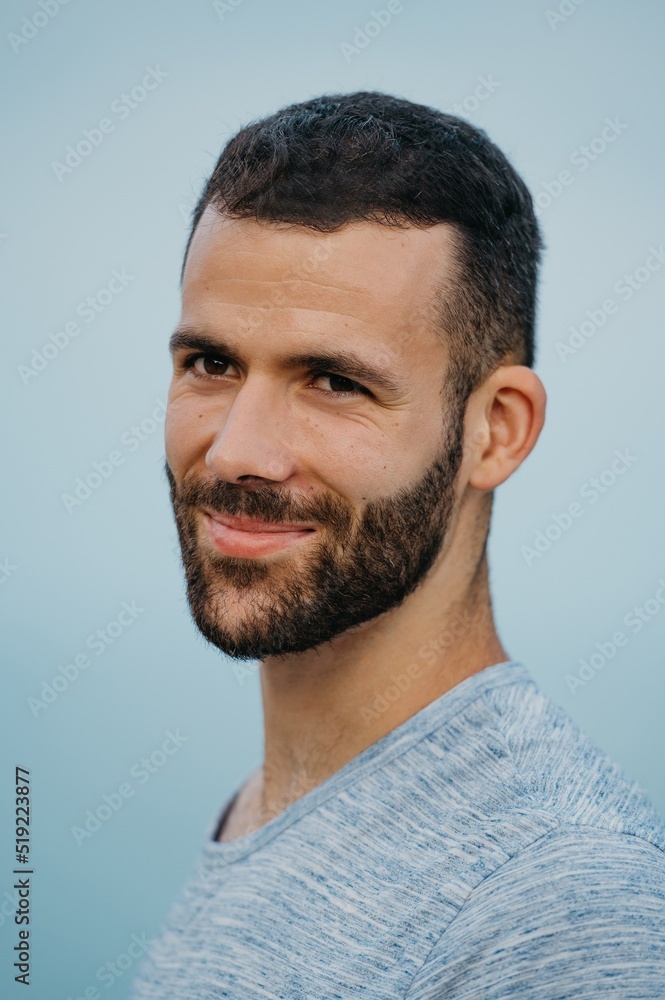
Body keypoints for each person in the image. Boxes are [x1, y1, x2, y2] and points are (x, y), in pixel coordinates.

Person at [129, 91, 665, 998]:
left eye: (333, 380)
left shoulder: (561, 906)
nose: (236, 452)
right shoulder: (267, 806)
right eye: (211, 364)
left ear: (495, 430)